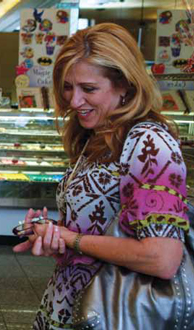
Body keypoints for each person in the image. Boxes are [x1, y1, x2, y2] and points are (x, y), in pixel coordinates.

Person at [12, 23, 188, 329]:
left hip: (113, 311)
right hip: (72, 305)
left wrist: (73, 239)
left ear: (125, 86)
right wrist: (55, 234)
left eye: (88, 89)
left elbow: (161, 257)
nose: (74, 101)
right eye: (68, 87)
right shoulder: (96, 136)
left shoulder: (148, 142)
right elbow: (104, 230)